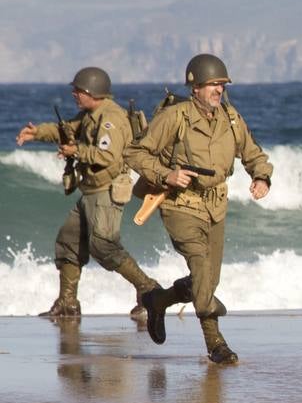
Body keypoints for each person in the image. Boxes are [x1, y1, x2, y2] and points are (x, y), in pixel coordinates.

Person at [124, 54, 273, 366]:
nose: (218, 90)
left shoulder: (231, 118)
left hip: (216, 206)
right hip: (181, 204)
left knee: (206, 280)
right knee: (202, 271)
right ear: (195, 88)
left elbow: (252, 152)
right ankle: (216, 344)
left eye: (221, 85)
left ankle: (158, 299)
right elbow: (135, 153)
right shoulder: (175, 117)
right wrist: (167, 175)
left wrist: (261, 177)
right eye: (211, 85)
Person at [14, 67, 160, 319]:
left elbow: (108, 156)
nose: (74, 94)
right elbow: (67, 129)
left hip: (106, 192)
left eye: (78, 90)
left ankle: (149, 289)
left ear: (92, 91)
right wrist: (37, 133)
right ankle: (68, 303)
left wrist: (77, 152)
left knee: (104, 247)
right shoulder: (91, 115)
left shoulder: (111, 118)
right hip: (90, 192)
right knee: (68, 242)